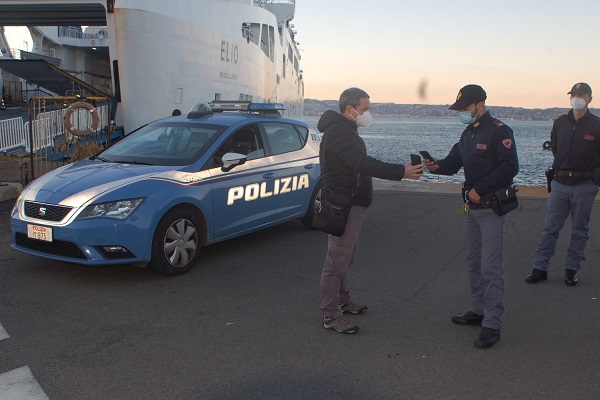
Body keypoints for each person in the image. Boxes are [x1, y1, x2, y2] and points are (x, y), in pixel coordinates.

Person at [318, 87, 423, 334]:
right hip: (343, 204)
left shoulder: (346, 130)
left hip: (351, 202)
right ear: (350, 109)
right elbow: (362, 163)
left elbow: (356, 165)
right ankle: (330, 314)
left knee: (346, 256)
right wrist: (401, 172)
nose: (368, 114)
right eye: (365, 109)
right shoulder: (340, 132)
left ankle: (342, 301)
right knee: (336, 260)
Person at [424, 84, 519, 349]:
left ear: (480, 105)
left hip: (491, 208)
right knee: (474, 263)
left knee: (491, 266)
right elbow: (452, 164)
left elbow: (510, 167)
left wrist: (480, 188)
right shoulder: (467, 134)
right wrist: (436, 166)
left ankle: (492, 322)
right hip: (473, 209)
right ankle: (479, 310)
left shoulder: (500, 131)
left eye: (465, 109)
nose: (462, 114)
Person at [526, 83, 600, 287]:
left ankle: (571, 270)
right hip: (560, 183)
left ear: (589, 99)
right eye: (573, 94)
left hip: (585, 184)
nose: (576, 98)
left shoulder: (597, 125)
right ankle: (539, 268)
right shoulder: (560, 123)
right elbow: (556, 148)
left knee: (579, 230)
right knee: (549, 228)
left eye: (580, 95)